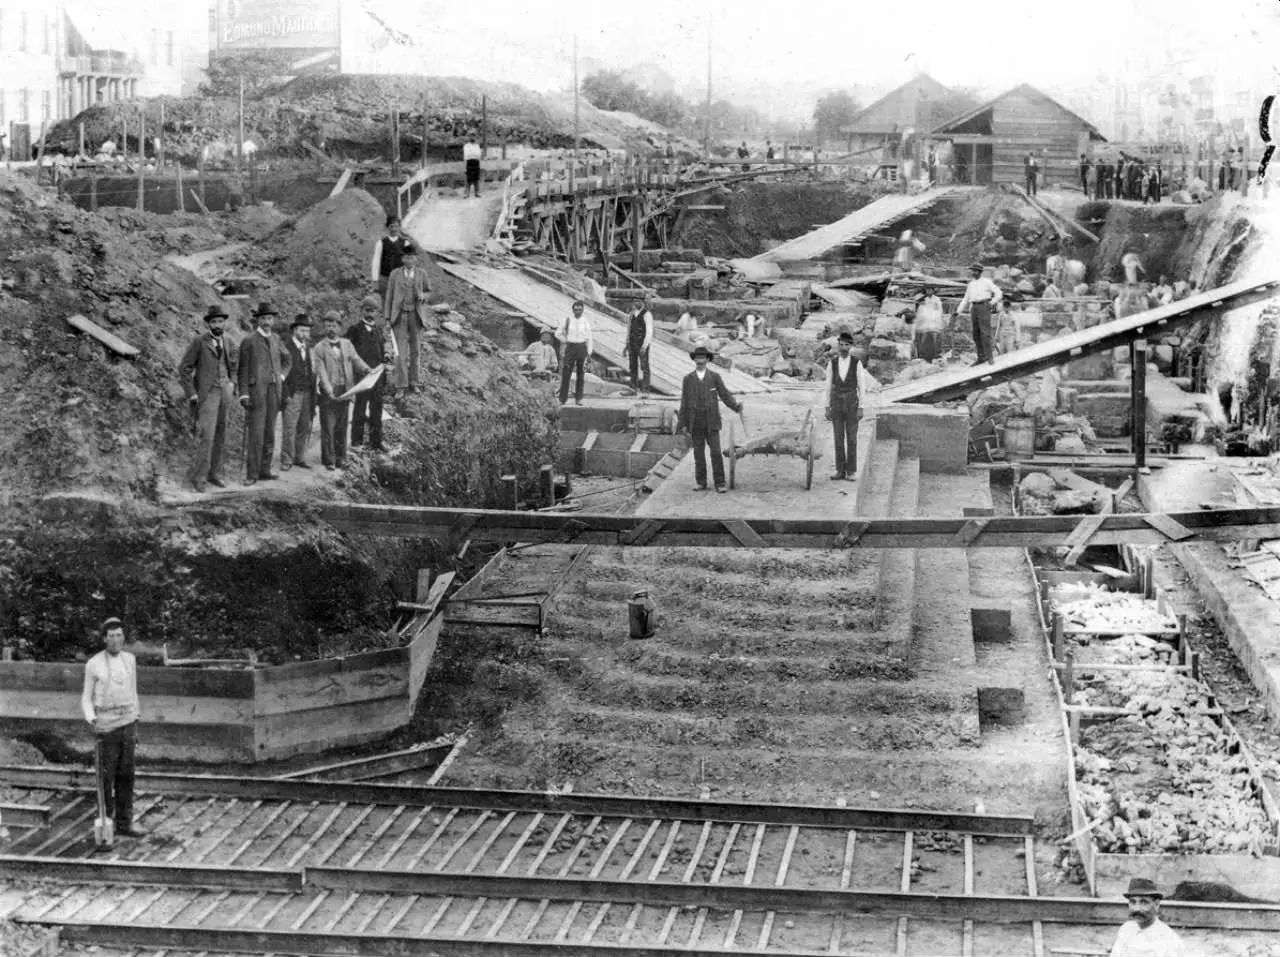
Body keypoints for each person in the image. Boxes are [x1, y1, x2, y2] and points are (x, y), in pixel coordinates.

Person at [81, 617, 146, 842]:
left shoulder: (130, 660)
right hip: (106, 726)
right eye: (111, 636)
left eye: (119, 635)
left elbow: (133, 690)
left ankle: (125, 822)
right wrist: (92, 719)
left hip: (128, 723)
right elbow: (86, 698)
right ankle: (106, 822)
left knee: (126, 775)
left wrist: (136, 716)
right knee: (106, 778)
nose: (115, 640)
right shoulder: (94, 664)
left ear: (124, 637)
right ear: (104, 639)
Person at [178, 305, 235, 493]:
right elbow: (184, 368)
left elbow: (231, 365)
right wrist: (192, 392)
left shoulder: (227, 341)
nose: (218, 325)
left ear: (224, 323)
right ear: (208, 323)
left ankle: (215, 474)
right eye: (214, 322)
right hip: (208, 394)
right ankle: (199, 477)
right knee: (207, 437)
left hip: (224, 392)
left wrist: (232, 383)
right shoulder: (199, 342)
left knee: (221, 434)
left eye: (220, 321)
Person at [237, 303, 291, 485]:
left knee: (269, 433)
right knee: (256, 433)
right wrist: (243, 394)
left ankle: (264, 470)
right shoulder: (249, 341)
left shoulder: (276, 339)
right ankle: (252, 474)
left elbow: (287, 359)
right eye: (263, 319)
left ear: (273, 320)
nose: (267, 322)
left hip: (274, 392)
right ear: (258, 320)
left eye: (269, 318)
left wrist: (281, 375)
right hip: (256, 392)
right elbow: (242, 370)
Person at [677, 345, 743, 493]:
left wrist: (736, 406)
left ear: (707, 359)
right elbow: (684, 402)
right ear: (694, 360)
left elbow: (725, 394)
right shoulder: (687, 379)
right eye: (697, 358)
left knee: (715, 452)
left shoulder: (715, 377)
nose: (700, 361)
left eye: (703, 358)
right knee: (698, 454)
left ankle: (720, 483)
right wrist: (682, 424)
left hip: (712, 422)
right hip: (696, 423)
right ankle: (701, 482)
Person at [313, 313, 372, 470]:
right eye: (327, 325)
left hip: (345, 389)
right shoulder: (319, 348)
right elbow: (321, 372)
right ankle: (329, 460)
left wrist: (366, 369)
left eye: (334, 326)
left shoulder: (347, 344)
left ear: (340, 327)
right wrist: (328, 390)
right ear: (324, 327)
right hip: (328, 392)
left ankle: (341, 458)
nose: (331, 329)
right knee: (328, 426)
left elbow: (356, 360)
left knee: (342, 425)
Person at [346, 296, 395, 451]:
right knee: (360, 409)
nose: (370, 314)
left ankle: (376, 442)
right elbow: (346, 352)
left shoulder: (378, 331)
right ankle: (356, 442)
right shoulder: (354, 330)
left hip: (377, 377)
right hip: (362, 377)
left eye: (373, 311)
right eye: (367, 310)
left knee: (376, 410)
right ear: (362, 311)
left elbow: (382, 353)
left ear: (377, 313)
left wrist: (386, 361)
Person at [383, 248, 430, 392]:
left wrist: (423, 296)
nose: (409, 260)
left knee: (415, 351)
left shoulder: (422, 274)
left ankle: (414, 382)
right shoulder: (395, 274)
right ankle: (401, 385)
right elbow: (389, 296)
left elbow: (429, 291)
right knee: (400, 353)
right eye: (406, 257)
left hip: (415, 315)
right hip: (399, 316)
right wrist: (387, 318)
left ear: (416, 259)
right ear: (402, 259)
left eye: (412, 257)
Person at [1109, 877, 1186, 956]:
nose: (1137, 908)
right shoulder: (1126, 929)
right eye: (1133, 902)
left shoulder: (1170, 941)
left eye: (1143, 902)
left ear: (1156, 904)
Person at [826, 331, 866, 481]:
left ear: (851, 346)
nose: (843, 348)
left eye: (846, 345)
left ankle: (851, 471)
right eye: (841, 344)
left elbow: (862, 386)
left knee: (852, 438)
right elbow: (828, 386)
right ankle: (840, 470)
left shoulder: (857, 363)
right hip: (836, 402)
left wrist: (861, 407)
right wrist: (826, 406)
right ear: (838, 345)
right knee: (838, 437)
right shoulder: (832, 363)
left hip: (851, 403)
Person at [279, 314, 316, 471]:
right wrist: (286, 394)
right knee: (289, 427)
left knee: (304, 426)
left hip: (307, 393)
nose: (305, 335)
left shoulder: (308, 348)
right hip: (292, 393)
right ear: (294, 330)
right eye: (302, 331)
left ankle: (299, 457)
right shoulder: (286, 347)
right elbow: (281, 375)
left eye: (307, 331)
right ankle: (286, 459)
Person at [958, 263, 1002, 364]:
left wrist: (992, 303)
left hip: (984, 306)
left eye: (975, 271)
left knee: (985, 333)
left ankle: (990, 357)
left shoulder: (987, 282)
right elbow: (965, 299)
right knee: (976, 334)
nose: (973, 272)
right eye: (972, 270)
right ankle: (981, 357)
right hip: (974, 308)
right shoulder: (971, 284)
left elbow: (999, 293)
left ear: (980, 272)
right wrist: (958, 311)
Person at [557, 299, 593, 406]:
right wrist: (565, 340)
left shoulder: (585, 322)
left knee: (581, 374)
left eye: (580, 309)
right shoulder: (567, 320)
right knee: (566, 373)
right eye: (576, 309)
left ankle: (579, 398)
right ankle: (562, 399)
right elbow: (558, 333)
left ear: (583, 310)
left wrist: (589, 352)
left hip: (582, 348)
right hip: (571, 348)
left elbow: (589, 338)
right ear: (573, 310)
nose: (578, 311)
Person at [370, 217, 416, 296]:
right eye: (391, 226)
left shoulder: (405, 243)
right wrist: (375, 280)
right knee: (386, 303)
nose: (394, 229)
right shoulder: (381, 243)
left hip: (401, 279)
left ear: (399, 227)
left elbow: (410, 262)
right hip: (385, 279)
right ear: (387, 227)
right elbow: (376, 261)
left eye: (396, 226)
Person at [624, 297, 654, 393]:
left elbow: (649, 331)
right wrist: (627, 343)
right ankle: (633, 387)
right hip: (632, 343)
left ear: (642, 302)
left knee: (644, 366)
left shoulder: (647, 314)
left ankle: (645, 389)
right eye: (635, 301)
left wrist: (645, 346)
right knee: (632, 366)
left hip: (641, 344)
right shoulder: (631, 314)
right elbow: (629, 329)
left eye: (638, 301)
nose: (636, 303)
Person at [913, 289, 946, 361]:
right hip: (925, 322)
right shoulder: (924, 299)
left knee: (934, 338)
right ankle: (924, 355)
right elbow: (921, 310)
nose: (929, 292)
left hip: (934, 321)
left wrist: (939, 317)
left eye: (930, 290)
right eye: (927, 291)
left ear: (933, 291)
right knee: (924, 339)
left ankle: (935, 354)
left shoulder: (937, 299)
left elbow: (939, 309)